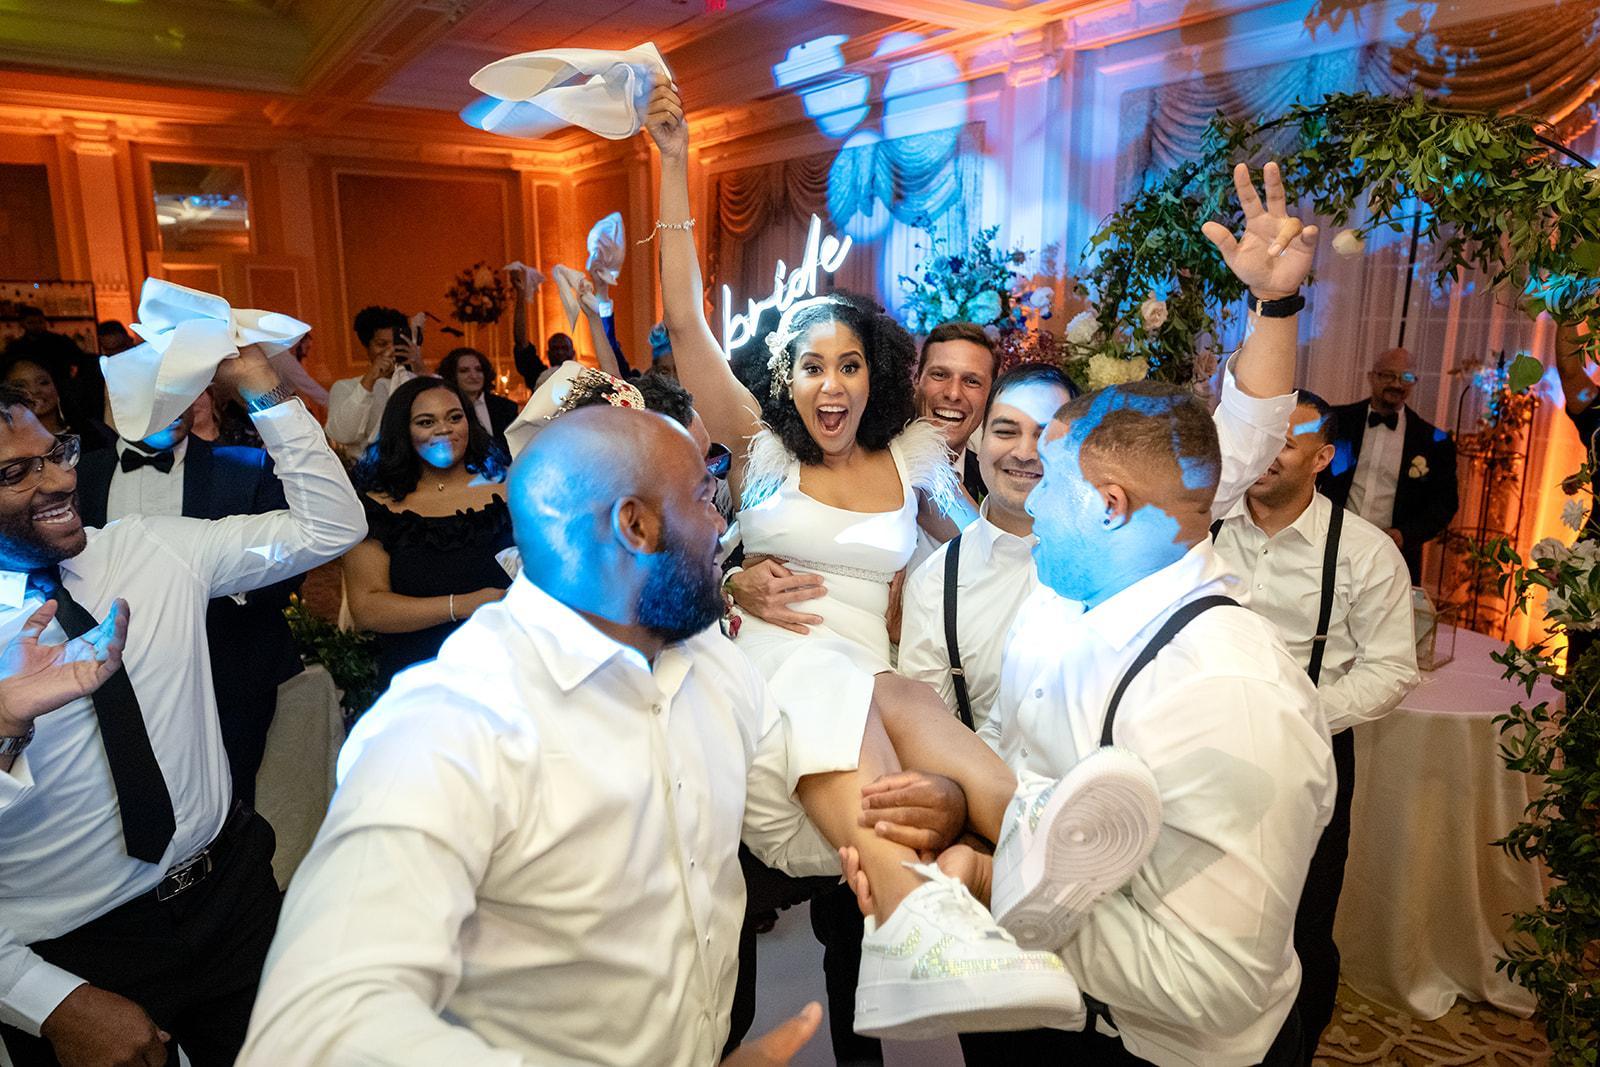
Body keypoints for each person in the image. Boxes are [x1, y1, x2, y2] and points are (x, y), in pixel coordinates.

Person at [650, 81, 1133, 1046]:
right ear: (786, 377)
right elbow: (690, 329)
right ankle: (920, 909)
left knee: (902, 696)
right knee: (847, 685)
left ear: (874, 372)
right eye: (811, 365)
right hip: (776, 672)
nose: (831, 383)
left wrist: (1093, 523)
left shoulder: (911, 460)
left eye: (850, 364)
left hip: (873, 685)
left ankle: (1043, 847)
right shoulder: (763, 450)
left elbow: (990, 535)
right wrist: (670, 164)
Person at [237, 406, 844, 1065]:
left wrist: (901, 833)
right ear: (635, 526)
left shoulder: (710, 661)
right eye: (703, 496)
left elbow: (781, 830)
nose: (720, 525)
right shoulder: (450, 727)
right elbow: (313, 1034)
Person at [0, 340, 365, 1066]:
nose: (60, 478)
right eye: (17, 471)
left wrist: (262, 389)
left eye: (57, 452)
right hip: (79, 950)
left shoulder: (147, 549)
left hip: (229, 892)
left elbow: (330, 527)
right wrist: (47, 999)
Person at [1212, 389, 1418, 1063]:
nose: (1266, 453)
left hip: (1309, 756)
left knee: (1300, 922)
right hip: (1198, 746)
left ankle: (1293, 1051)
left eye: (1286, 441)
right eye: (1261, 437)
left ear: (1323, 458)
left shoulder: (1365, 551)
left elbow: (1391, 670)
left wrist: (1293, 713)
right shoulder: (1200, 529)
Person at [73, 401, 305, 806]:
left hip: (228, 669)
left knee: (232, 799)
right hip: (105, 673)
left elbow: (294, 556)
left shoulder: (246, 466)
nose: (175, 406)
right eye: (156, 395)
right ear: (119, 398)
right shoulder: (79, 474)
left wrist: (222, 582)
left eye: (183, 394)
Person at [898, 362, 1074, 731]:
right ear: (982, 437)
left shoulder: (1116, 565)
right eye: (1006, 431)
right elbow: (929, 734)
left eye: (1045, 436)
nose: (1024, 452)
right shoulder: (935, 583)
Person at [344, 376, 512, 691]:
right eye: (426, 422)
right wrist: (461, 605)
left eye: (455, 417)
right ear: (403, 431)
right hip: (419, 677)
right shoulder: (375, 507)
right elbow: (367, 608)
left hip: (505, 670)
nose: (444, 429)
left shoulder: (510, 488)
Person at [1320, 347, 1458, 583]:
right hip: (1332, 544)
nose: (1396, 384)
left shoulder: (1433, 441)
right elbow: (1310, 473)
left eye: (1406, 377)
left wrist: (1405, 535)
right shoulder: (1337, 421)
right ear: (1371, 377)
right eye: (1388, 375)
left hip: (1392, 557)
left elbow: (1445, 504)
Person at [326, 306, 422, 462]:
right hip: (365, 470)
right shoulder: (345, 387)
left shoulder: (415, 382)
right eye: (382, 344)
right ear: (367, 347)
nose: (390, 351)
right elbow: (342, 435)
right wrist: (370, 379)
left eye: (396, 344)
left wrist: (418, 364)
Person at [0, 356, 114, 453]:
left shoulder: (94, 431)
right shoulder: (8, 448)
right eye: (20, 386)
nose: (34, 391)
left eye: (43, 382)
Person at [436, 346, 518, 448]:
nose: (474, 376)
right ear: (452, 375)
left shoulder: (506, 407)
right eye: (464, 371)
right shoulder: (444, 408)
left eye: (478, 370)